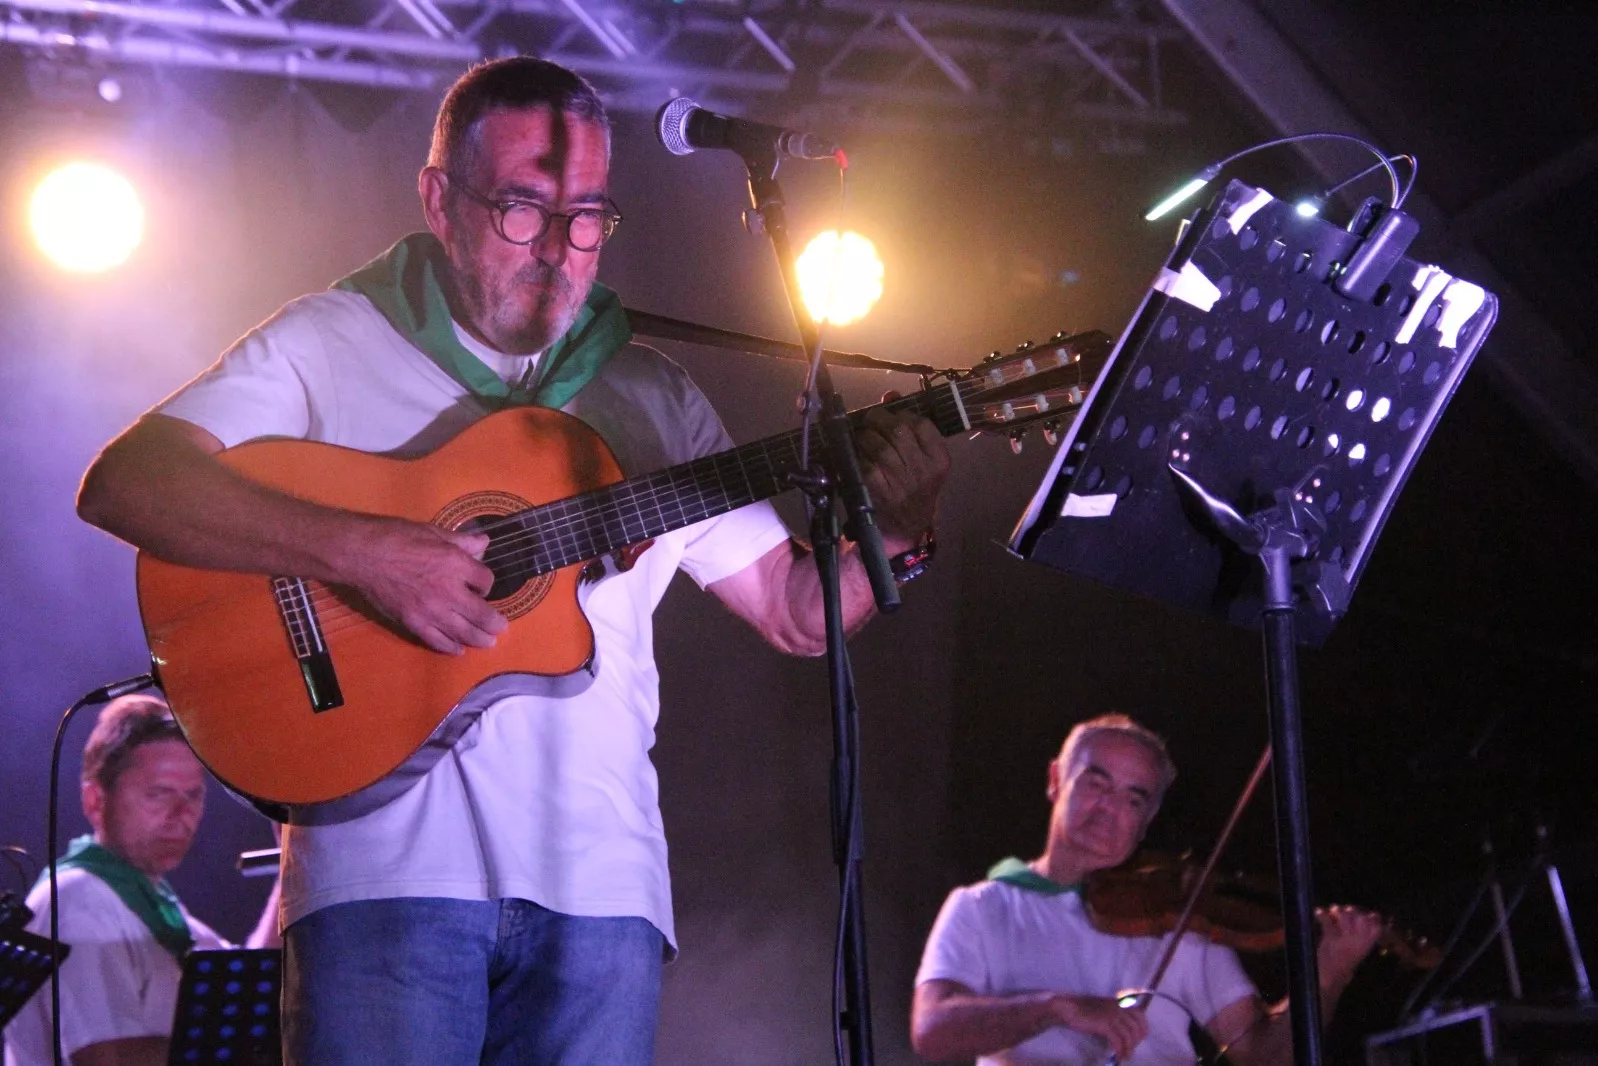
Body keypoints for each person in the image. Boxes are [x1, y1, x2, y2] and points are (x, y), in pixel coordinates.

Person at [74, 56, 949, 1065]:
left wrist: (904, 525)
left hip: (602, 891)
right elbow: (129, 483)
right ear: (440, 200)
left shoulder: (650, 395)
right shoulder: (334, 340)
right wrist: (364, 552)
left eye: (586, 217)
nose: (559, 250)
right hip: (381, 876)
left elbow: (801, 611)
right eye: (522, 209)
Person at [911, 715, 1383, 1065]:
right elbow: (931, 1030)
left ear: (1147, 819)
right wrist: (1057, 1007)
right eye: (1096, 784)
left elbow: (1264, 1056)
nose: (1109, 809)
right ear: (1056, 780)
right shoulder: (982, 907)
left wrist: (1326, 977)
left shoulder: (1182, 918)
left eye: (1132, 798)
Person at [3, 695, 279, 1066]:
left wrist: (293, 868)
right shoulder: (76, 899)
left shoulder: (154, 900)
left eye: (193, 795)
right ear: (96, 800)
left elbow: (245, 993)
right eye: (159, 793)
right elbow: (108, 1059)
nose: (181, 814)